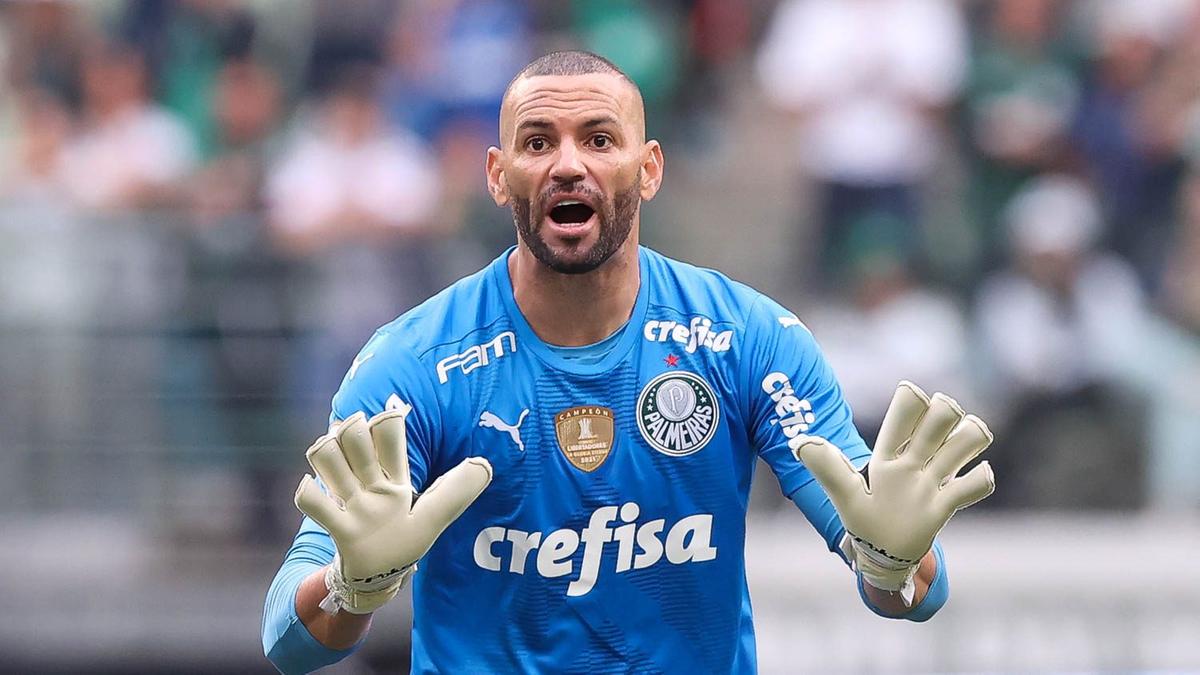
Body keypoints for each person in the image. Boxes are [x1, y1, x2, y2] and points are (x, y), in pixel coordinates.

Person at [262, 51, 996, 674]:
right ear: (497, 174)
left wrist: (896, 563)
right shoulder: (414, 363)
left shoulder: (747, 338)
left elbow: (908, 589)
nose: (569, 164)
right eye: (538, 141)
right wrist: (349, 589)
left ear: (648, 170)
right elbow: (285, 640)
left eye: (600, 139)